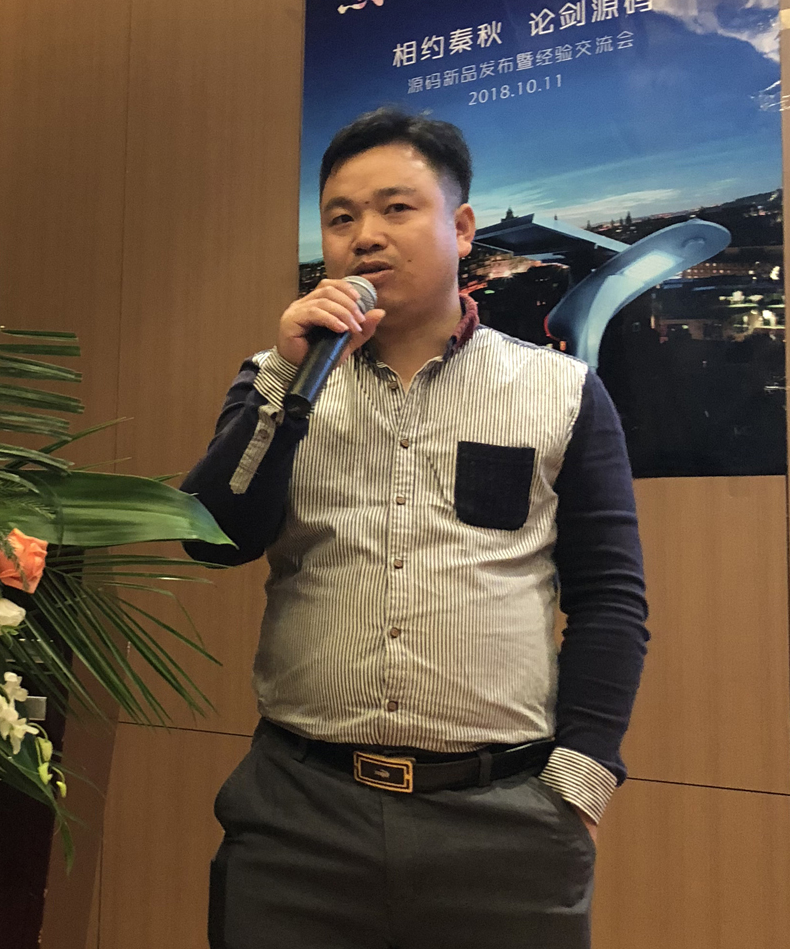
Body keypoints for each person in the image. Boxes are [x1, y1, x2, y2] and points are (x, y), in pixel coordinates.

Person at [182, 107, 649, 949]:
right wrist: (286, 378)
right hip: (297, 817)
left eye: (397, 208)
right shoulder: (275, 381)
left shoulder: (560, 391)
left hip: (504, 824)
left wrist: (579, 785)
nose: (365, 235)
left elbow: (610, 599)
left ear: (461, 227)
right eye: (340, 218)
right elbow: (213, 537)